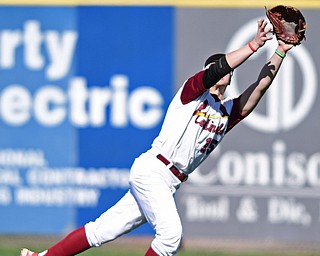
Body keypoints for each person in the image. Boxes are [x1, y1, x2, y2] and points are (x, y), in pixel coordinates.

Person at [21, 18, 294, 256]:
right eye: (215, 67)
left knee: (100, 231)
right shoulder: (190, 95)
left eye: (224, 69)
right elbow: (216, 69)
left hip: (169, 182)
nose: (220, 70)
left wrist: (280, 52)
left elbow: (259, 89)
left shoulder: (227, 112)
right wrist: (254, 45)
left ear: (231, 77)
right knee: (170, 237)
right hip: (154, 170)